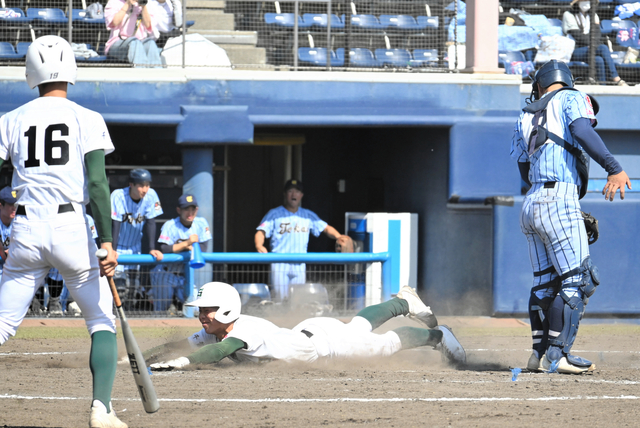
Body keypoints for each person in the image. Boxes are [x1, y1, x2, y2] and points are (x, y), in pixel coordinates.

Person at [0, 36, 124, 427]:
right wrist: (107, 243)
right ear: (71, 70)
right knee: (101, 320)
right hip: (70, 226)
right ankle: (101, 410)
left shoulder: (10, 119)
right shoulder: (87, 117)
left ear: (30, 74)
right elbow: (100, 186)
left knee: (2, 324)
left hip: (25, 224)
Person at [511, 60, 631, 374]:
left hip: (532, 200)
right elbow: (580, 129)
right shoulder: (572, 95)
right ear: (565, 80)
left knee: (544, 284)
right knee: (579, 279)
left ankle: (537, 355)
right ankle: (558, 354)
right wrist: (614, 168)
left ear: (539, 84)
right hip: (558, 196)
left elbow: (524, 168)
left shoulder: (524, 115)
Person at [145, 282, 464, 369]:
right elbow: (182, 345)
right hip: (311, 332)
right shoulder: (222, 327)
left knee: (383, 344)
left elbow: (219, 352)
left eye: (208, 311)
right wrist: (138, 358)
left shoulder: (237, 332)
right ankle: (403, 302)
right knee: (357, 325)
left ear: (226, 310)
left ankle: (437, 335)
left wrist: (182, 363)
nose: (202, 316)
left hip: (328, 345)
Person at [255, 179, 344, 301]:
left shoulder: (307, 215)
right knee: (280, 299)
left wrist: (339, 236)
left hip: (299, 263)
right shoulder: (275, 213)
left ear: (301, 195)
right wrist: (259, 245)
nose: (293, 194)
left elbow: (325, 228)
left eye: (297, 191)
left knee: (297, 299)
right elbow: (261, 231)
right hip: (280, 263)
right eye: (290, 191)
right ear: (285, 194)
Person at [111, 168, 163, 309]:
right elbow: (115, 224)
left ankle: (130, 321)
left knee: (132, 291)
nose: (145, 189)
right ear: (131, 184)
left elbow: (151, 222)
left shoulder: (151, 195)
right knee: (119, 289)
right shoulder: (118, 195)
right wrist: (112, 250)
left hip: (135, 247)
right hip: (119, 247)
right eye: (141, 185)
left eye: (147, 185)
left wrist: (152, 248)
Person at [149, 194, 211, 312]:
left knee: (196, 308)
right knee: (161, 310)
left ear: (196, 209)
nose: (190, 212)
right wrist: (187, 243)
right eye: (186, 209)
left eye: (193, 209)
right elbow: (164, 248)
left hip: (185, 274)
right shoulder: (170, 225)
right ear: (179, 210)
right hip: (166, 273)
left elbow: (203, 248)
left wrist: (180, 247)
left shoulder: (201, 223)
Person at [562, 0, 627, 86]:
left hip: (591, 49)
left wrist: (592, 45)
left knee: (598, 60)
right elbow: (577, 35)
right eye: (584, 0)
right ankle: (616, 78)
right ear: (577, 2)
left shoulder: (594, 15)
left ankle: (602, 86)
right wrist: (592, 44)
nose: (587, 2)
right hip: (574, 50)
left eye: (588, 0)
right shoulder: (568, 14)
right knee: (603, 48)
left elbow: (597, 35)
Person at [104, 0, 162, 67]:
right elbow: (114, 22)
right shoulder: (114, 2)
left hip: (140, 41)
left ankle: (156, 74)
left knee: (150, 43)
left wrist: (143, 6)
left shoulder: (145, 5)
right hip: (117, 43)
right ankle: (140, 74)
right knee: (134, 42)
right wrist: (127, 4)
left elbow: (148, 25)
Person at [0, 186, 16, 282]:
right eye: (10, 204)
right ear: (0, 205)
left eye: (15, 204)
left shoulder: (19, 222)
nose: (14, 208)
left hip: (15, 268)